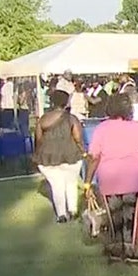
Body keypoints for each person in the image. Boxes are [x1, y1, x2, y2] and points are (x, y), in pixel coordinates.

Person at [84, 92, 138, 265]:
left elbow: (94, 158)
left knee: (114, 217)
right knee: (134, 218)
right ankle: (133, 254)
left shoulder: (101, 129)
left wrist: (87, 183)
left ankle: (115, 253)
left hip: (109, 180)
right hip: (135, 180)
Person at [33, 89, 85, 223]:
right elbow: (78, 138)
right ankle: (73, 210)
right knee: (71, 183)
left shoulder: (43, 119)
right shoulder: (72, 118)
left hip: (48, 157)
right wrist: (84, 152)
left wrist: (37, 155)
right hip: (71, 155)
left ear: (52, 102)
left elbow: (38, 140)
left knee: (57, 186)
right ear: (66, 102)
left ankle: (61, 214)